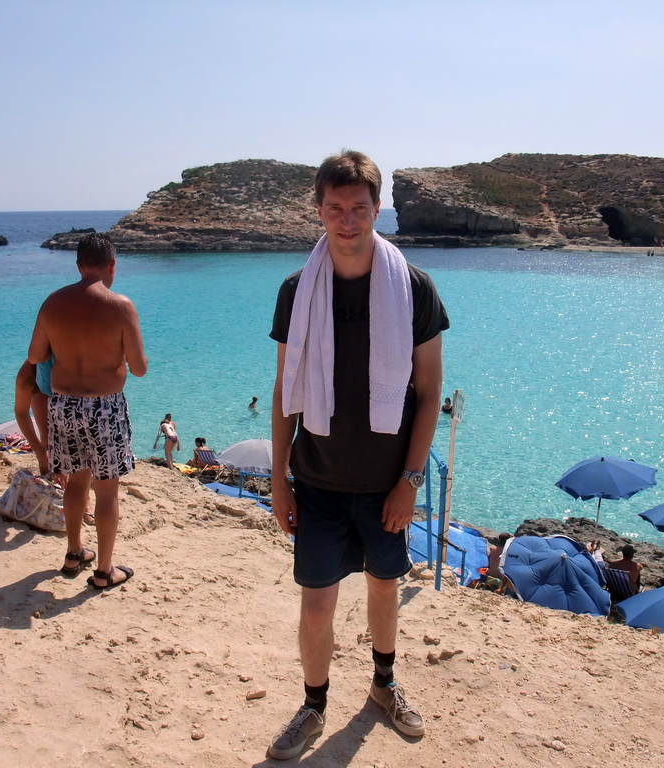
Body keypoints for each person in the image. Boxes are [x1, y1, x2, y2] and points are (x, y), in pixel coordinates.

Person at [268, 151, 449, 759]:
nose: (347, 220)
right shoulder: (297, 291)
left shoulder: (413, 288)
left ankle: (383, 684)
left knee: (383, 588)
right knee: (317, 605)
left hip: (385, 483)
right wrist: (278, 479)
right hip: (315, 477)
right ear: (319, 210)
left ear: (377, 209)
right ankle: (313, 705)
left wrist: (410, 480)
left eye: (359, 208)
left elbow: (428, 393)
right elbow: (284, 392)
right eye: (335, 208)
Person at [28, 232, 148, 589]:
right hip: (104, 409)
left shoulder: (53, 302)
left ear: (78, 265)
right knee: (107, 491)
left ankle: (74, 552)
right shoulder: (120, 305)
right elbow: (139, 368)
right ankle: (104, 571)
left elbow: (35, 356)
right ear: (112, 265)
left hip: (63, 404)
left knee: (76, 482)